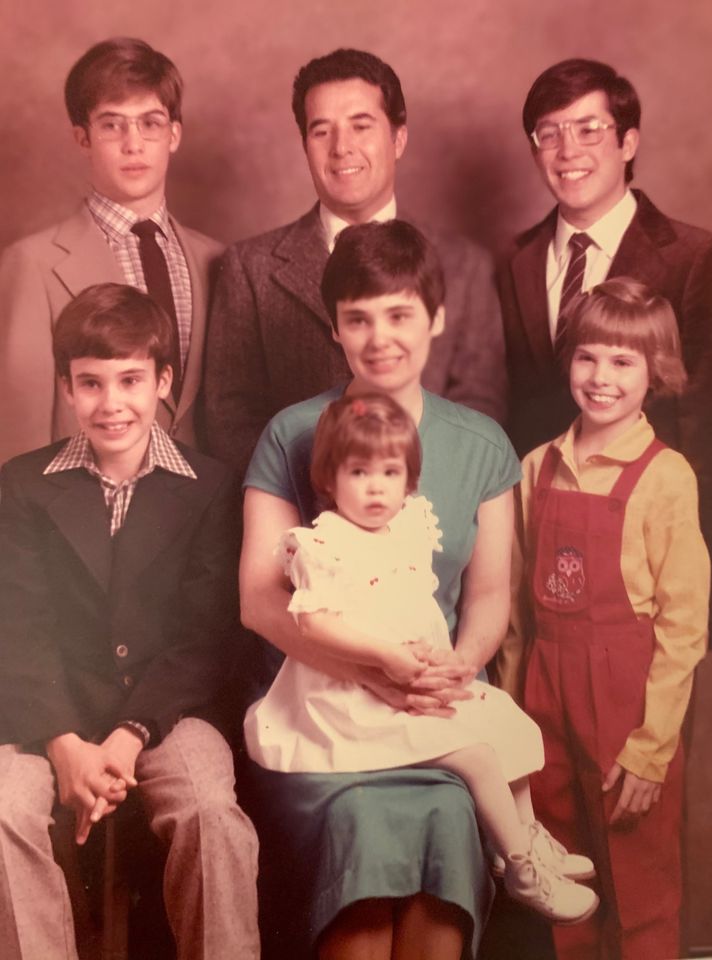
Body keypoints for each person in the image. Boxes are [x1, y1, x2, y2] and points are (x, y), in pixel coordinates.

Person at [240, 218, 516, 960]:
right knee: (357, 821)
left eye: (400, 314)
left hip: (438, 712)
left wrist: (455, 666)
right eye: (358, 318)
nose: (379, 337)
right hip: (323, 719)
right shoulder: (293, 433)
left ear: (438, 318)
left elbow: (490, 598)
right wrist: (373, 669)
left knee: (452, 815)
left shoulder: (481, 444)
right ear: (334, 326)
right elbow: (260, 600)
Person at [245, 390, 600, 927]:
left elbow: (417, 608)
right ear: (327, 480)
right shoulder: (324, 544)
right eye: (358, 472)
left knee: (504, 720)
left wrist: (436, 658)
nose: (374, 488)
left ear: (409, 480)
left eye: (390, 473)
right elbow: (315, 623)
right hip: (349, 701)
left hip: (407, 678)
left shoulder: (409, 526)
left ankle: (522, 842)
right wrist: (387, 654)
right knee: (477, 756)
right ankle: (526, 873)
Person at [0, 283, 259, 960]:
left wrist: (127, 737)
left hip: (168, 710)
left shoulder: (212, 487)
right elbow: (18, 626)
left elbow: (203, 639)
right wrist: (61, 742)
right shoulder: (22, 484)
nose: (111, 404)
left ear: (164, 380)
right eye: (90, 383)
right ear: (65, 387)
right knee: (2, 812)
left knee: (211, 814)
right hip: (45, 713)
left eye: (130, 380)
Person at [497, 279, 710, 959]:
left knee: (638, 878)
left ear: (657, 373)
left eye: (624, 362)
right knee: (562, 875)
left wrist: (652, 749)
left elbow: (684, 630)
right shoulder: (537, 467)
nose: (602, 377)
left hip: (626, 702)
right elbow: (512, 612)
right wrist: (508, 714)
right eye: (590, 357)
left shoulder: (667, 476)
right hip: (544, 693)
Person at [203, 47, 506, 478]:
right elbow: (230, 418)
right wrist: (315, 496)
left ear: (398, 139)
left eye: (361, 126)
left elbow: (481, 402)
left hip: (429, 512)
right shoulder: (248, 268)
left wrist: (401, 494)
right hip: (297, 516)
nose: (342, 148)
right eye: (321, 131)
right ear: (304, 144)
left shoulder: (464, 266)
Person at [497, 58, 712, 642]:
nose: (567, 149)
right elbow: (520, 412)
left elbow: (706, 427)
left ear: (628, 142)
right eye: (549, 133)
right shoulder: (515, 263)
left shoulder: (697, 259)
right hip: (545, 542)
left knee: (649, 724)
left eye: (588, 129)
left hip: (649, 556)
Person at [0, 37, 223, 465]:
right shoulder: (33, 265)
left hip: (203, 517)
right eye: (111, 124)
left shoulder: (216, 260)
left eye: (150, 123)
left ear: (174, 134)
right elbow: (18, 446)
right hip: (80, 518)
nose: (133, 143)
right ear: (82, 138)